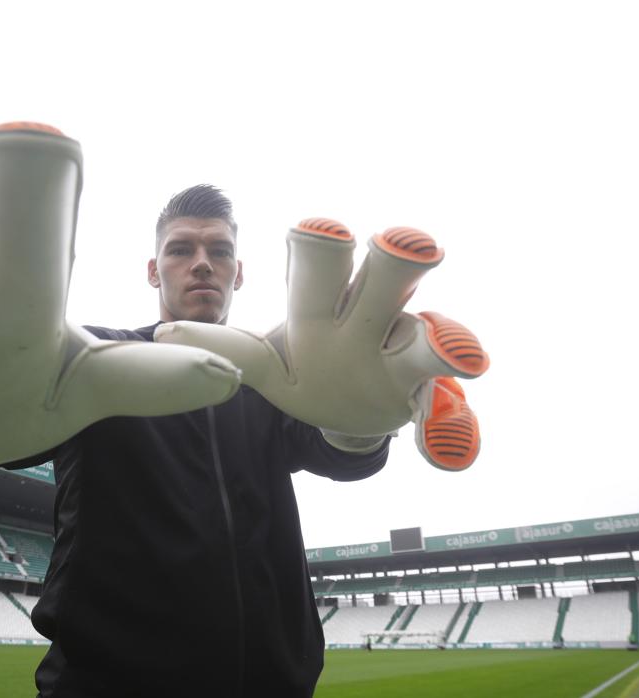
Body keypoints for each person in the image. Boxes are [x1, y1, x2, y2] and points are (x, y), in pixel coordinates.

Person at [27, 185, 390, 697]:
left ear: (238, 273)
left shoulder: (270, 380)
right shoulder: (95, 360)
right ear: (154, 270)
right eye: (181, 249)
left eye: (219, 251)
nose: (202, 263)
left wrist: (367, 406)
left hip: (273, 685)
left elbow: (344, 454)